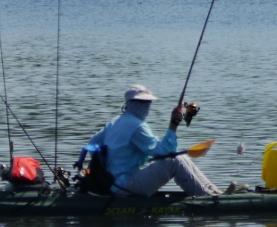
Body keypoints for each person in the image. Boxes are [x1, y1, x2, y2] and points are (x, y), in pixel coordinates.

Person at [83, 84, 220, 197]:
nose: (145, 106)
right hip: (124, 186)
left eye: (147, 102)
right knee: (174, 160)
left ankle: (214, 192)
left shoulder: (115, 122)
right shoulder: (136, 126)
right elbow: (165, 151)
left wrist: (119, 162)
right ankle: (208, 198)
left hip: (113, 183)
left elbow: (91, 144)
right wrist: (174, 123)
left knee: (181, 156)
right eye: (142, 102)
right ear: (130, 104)